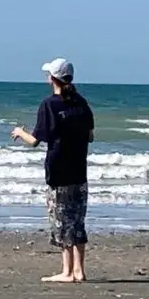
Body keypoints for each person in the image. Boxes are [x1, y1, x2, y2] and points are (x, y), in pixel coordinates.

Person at [11, 57, 94, 282]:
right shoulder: (82, 103)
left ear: (53, 78)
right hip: (79, 169)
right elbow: (90, 135)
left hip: (58, 170)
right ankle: (79, 270)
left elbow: (36, 140)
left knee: (61, 220)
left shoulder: (49, 105)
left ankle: (68, 272)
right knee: (77, 220)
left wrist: (20, 131)